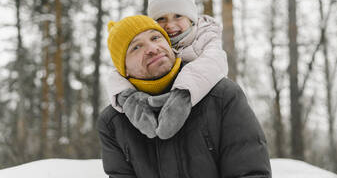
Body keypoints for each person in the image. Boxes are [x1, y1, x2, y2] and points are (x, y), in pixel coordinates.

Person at [97, 15, 272, 178]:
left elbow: (250, 172)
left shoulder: (222, 96)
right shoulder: (113, 123)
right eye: (136, 47)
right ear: (123, 69)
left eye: (155, 38)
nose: (152, 48)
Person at [105, 0, 228, 139]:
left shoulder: (205, 37)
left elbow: (212, 64)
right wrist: (128, 98)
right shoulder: (155, 44)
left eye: (178, 16)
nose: (170, 25)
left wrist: (183, 94)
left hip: (202, 108)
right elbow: (118, 73)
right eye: (161, 19)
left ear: (191, 18)